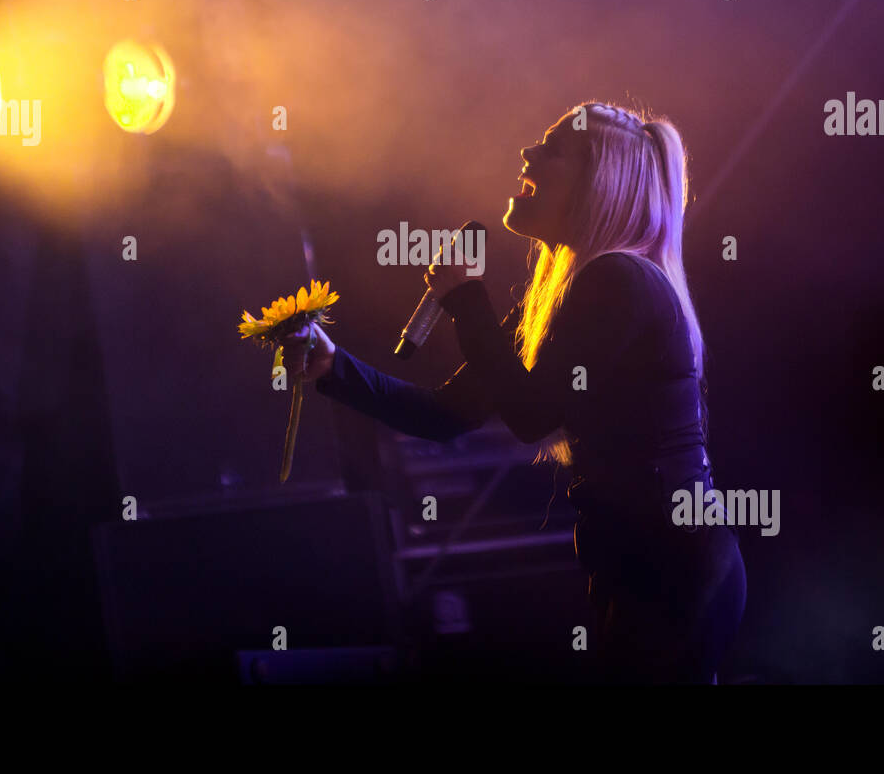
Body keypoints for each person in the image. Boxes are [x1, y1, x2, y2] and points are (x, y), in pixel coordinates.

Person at [281, 101, 746, 683]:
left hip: (670, 567)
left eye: (552, 148)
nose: (528, 153)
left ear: (595, 181)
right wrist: (334, 368)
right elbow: (448, 413)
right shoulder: (573, 292)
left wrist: (467, 302)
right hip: (640, 565)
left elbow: (530, 415)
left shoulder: (621, 279)